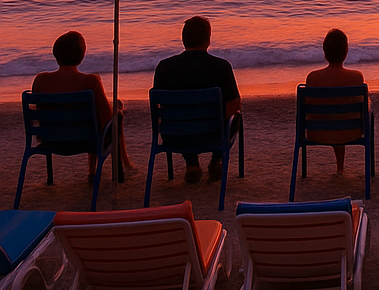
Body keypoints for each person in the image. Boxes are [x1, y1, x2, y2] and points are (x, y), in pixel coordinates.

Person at [153, 16, 241, 184]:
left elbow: (163, 105)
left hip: (173, 136)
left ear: (183, 39)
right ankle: (217, 159)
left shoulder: (164, 67)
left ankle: (191, 163)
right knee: (235, 116)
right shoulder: (221, 67)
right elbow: (233, 107)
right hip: (213, 136)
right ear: (208, 39)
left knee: (182, 117)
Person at [33, 30, 132, 177]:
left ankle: (93, 170)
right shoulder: (90, 81)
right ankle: (121, 165)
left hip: (51, 139)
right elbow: (106, 120)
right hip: (86, 141)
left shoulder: (40, 80)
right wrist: (117, 110)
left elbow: (39, 112)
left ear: (56, 55)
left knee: (96, 117)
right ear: (82, 56)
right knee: (114, 114)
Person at [304, 28, 367, 173]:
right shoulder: (356, 77)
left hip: (317, 133)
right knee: (342, 115)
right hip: (351, 132)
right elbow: (360, 106)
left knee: (334, 115)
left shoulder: (312, 78)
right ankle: (340, 168)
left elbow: (307, 103)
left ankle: (340, 168)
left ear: (324, 52)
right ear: (346, 52)